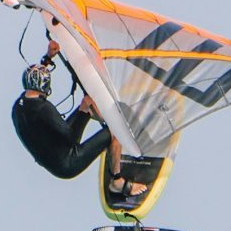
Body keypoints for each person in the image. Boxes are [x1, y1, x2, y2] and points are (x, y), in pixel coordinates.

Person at [11, 43, 149, 205]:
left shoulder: (20, 104)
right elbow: (72, 138)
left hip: (54, 152)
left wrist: (48, 58)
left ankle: (115, 131)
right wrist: (84, 114)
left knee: (87, 103)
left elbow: (36, 79)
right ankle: (117, 182)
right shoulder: (43, 109)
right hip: (66, 163)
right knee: (115, 131)